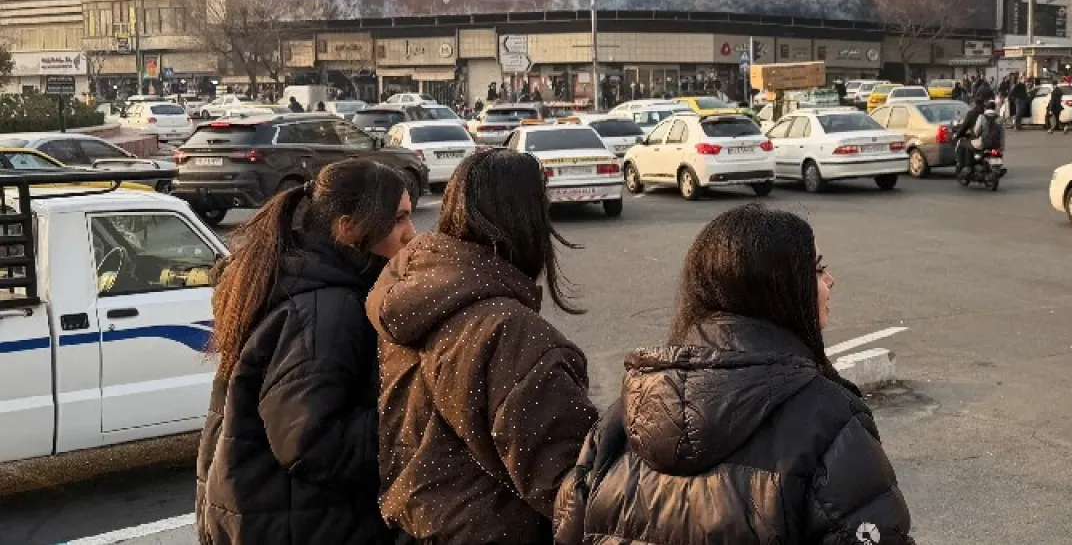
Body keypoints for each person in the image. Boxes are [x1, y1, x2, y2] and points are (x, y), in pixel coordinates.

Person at [554, 205, 914, 545]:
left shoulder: (623, 418)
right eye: (817, 269)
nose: (830, 280)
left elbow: (568, 528)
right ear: (777, 290)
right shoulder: (830, 422)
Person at [368, 148, 597, 544]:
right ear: (526, 221)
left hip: (418, 524)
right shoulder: (510, 332)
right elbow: (572, 490)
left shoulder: (413, 292)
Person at [195, 160, 417, 545]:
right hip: (296, 525)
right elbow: (311, 442)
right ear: (346, 228)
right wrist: (411, 417)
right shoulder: (327, 309)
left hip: (269, 516)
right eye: (397, 220)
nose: (410, 235)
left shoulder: (299, 279)